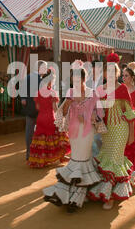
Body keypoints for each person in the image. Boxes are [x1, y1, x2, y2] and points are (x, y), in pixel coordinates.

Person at [43, 62, 104, 213]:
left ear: (84, 79)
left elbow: (100, 114)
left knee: (82, 162)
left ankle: (76, 199)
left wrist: (89, 118)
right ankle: (64, 195)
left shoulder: (92, 93)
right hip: (74, 132)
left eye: (77, 80)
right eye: (73, 81)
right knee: (75, 161)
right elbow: (62, 113)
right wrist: (67, 103)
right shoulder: (70, 92)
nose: (75, 83)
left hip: (87, 132)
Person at [88, 53, 135, 210]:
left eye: (113, 71)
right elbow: (92, 108)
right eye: (107, 71)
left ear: (117, 72)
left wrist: (131, 133)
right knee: (110, 158)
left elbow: (129, 112)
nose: (109, 73)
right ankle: (127, 178)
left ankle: (109, 196)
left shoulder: (123, 89)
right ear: (104, 73)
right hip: (106, 130)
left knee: (114, 158)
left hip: (120, 128)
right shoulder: (99, 89)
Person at [27, 68, 70, 168]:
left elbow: (37, 107)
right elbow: (55, 109)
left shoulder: (39, 92)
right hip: (50, 118)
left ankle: (40, 160)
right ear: (50, 81)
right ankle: (61, 157)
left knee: (42, 140)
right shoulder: (53, 93)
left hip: (40, 118)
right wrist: (61, 115)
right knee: (59, 137)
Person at [21, 60, 47, 161]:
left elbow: (22, 90)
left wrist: (23, 99)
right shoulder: (39, 79)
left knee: (29, 130)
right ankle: (38, 153)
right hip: (37, 109)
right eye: (44, 67)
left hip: (30, 108)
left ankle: (29, 153)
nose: (46, 69)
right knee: (39, 131)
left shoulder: (29, 77)